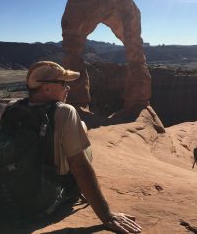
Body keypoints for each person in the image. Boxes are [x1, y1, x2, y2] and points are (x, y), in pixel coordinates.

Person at [26, 60, 142, 234]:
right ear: (47, 88)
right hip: (44, 201)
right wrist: (106, 215)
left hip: (13, 198)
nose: (68, 88)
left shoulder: (9, 108)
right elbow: (80, 166)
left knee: (80, 127)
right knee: (80, 135)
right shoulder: (64, 112)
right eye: (63, 83)